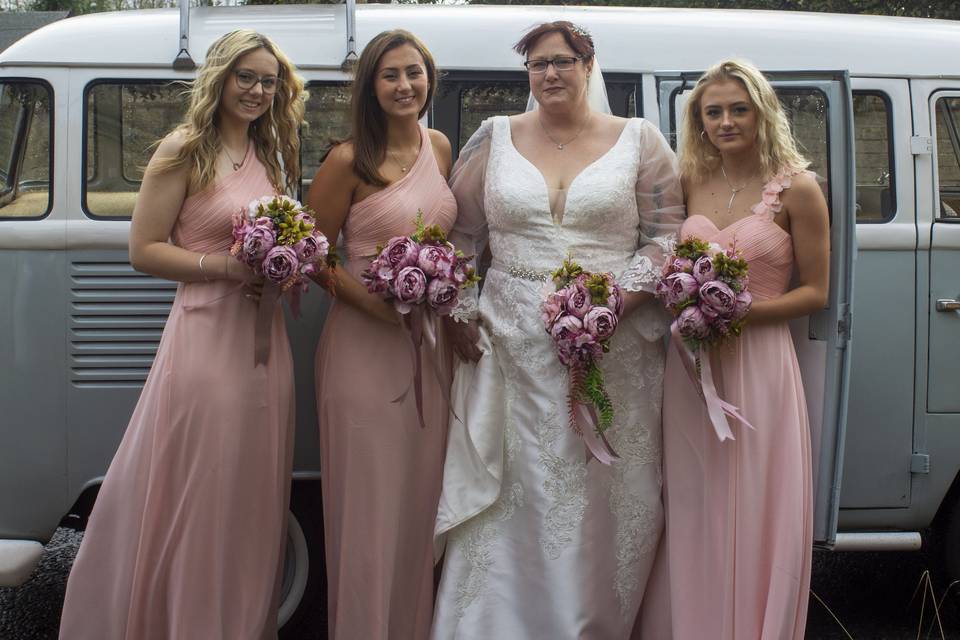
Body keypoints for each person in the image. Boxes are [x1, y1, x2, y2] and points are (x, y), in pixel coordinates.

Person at [431, 21, 684, 639]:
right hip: (510, 345)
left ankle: (589, 620)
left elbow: (667, 234)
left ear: (588, 65)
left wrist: (616, 302)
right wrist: (461, 309)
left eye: (563, 61)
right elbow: (462, 238)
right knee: (514, 487)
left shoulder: (640, 140)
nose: (550, 74)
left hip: (612, 348)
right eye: (538, 64)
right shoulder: (495, 138)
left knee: (600, 490)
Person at [58, 30, 306, 639]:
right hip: (205, 341)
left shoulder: (272, 153)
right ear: (220, 77)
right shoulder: (183, 148)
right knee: (204, 490)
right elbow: (143, 251)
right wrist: (226, 266)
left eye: (268, 80)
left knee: (251, 497)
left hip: (265, 342)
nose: (256, 90)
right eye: (245, 76)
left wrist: (289, 262)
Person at [639, 59, 829, 640]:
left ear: (761, 111)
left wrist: (735, 312)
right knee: (695, 498)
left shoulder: (797, 187)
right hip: (693, 366)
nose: (726, 121)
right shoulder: (690, 181)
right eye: (712, 111)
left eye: (737, 109)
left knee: (756, 498)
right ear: (699, 120)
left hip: (761, 362)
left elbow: (815, 293)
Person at [306, 30, 456, 640]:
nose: (404, 85)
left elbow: (448, 240)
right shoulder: (349, 159)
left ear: (429, 79)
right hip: (364, 347)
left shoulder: (440, 146)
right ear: (371, 85)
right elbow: (313, 255)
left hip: (430, 347)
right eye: (390, 74)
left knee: (420, 502)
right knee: (368, 504)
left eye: (414, 73)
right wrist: (377, 306)